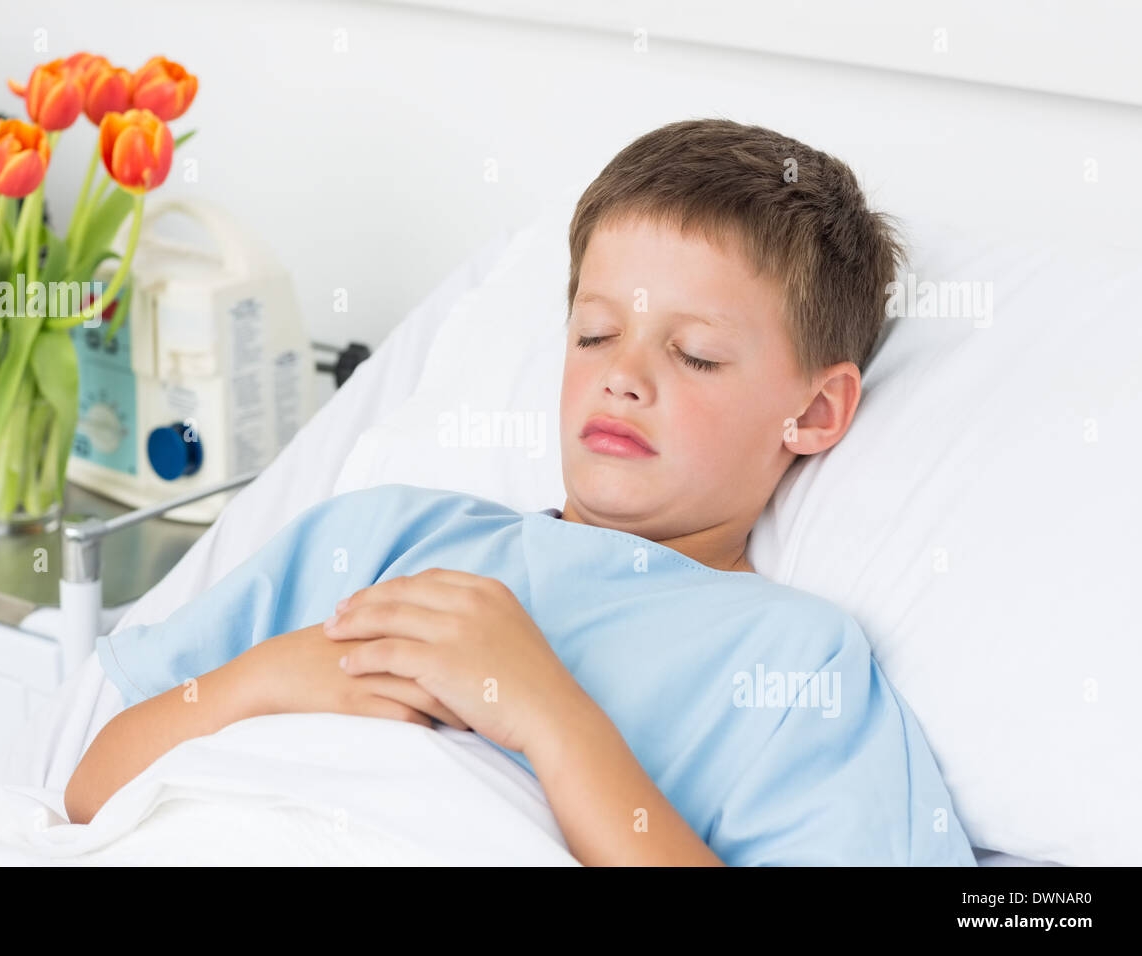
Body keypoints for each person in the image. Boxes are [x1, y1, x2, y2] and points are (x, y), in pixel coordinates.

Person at [65, 118, 977, 867]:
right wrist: (266, 680)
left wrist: (546, 709)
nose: (623, 378)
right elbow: (88, 790)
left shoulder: (795, 667)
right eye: (595, 335)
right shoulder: (380, 536)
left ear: (815, 411)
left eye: (694, 354)